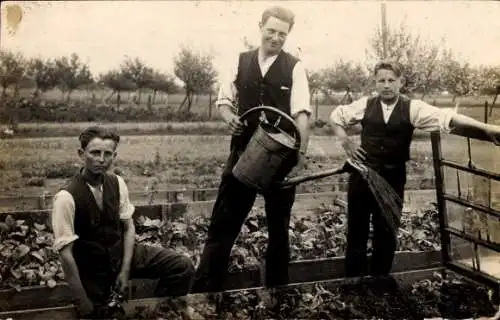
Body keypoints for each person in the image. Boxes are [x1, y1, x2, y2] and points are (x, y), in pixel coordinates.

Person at [329, 60, 500, 279]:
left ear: (401, 82)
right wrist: (346, 141)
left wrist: (486, 129)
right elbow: (335, 117)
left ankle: (379, 281)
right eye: (381, 80)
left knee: (386, 231)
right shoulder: (365, 105)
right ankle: (353, 282)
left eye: (391, 80)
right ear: (375, 82)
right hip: (361, 177)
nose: (386, 85)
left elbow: (447, 118)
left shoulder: (413, 108)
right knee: (357, 230)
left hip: (392, 179)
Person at [192, 6, 312, 293]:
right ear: (260, 27)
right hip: (243, 153)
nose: (276, 37)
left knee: (279, 230)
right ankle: (205, 293)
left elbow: (302, 114)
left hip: (279, 155)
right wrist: (228, 118)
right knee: (223, 224)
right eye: (271, 30)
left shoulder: (295, 66)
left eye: (282, 33)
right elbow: (223, 101)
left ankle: (277, 293)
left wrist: (301, 155)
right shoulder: (240, 60)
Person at [51, 126, 195, 319]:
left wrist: (125, 271)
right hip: (93, 268)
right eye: (95, 153)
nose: (101, 159)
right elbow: (66, 255)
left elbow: (128, 228)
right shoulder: (66, 197)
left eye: (107, 154)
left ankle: (160, 312)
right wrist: (81, 300)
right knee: (102, 313)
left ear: (114, 156)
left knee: (182, 267)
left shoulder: (117, 182)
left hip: (120, 254)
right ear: (81, 154)